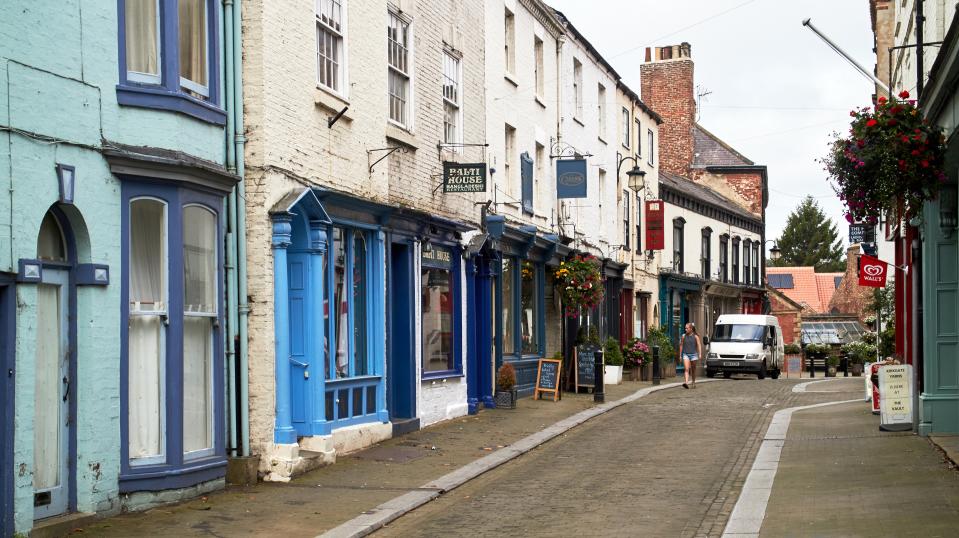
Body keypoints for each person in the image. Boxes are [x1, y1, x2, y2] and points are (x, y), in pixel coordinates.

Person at [677, 322, 702, 389]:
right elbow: (681, 345)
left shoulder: (696, 336)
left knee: (693, 370)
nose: (685, 329)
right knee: (686, 369)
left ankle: (693, 382)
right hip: (686, 354)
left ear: (691, 329)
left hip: (694, 355)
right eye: (685, 328)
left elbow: (699, 345)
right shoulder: (683, 336)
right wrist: (680, 355)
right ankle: (686, 382)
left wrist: (700, 354)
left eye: (687, 328)